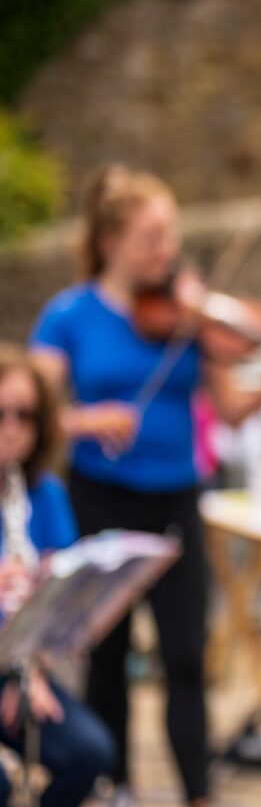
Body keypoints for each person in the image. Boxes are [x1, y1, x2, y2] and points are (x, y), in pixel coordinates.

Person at [29, 165, 261, 806]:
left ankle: (197, 790)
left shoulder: (190, 315)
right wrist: (84, 419)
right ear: (111, 242)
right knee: (107, 656)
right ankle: (118, 786)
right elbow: (30, 414)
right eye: (152, 238)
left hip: (177, 496)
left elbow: (234, 409)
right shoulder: (69, 316)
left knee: (187, 653)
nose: (168, 252)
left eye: (170, 236)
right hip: (99, 496)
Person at [0, 343, 117, 806]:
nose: (11, 428)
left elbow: (63, 598)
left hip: (19, 667)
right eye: (0, 412)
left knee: (91, 754)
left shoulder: (43, 493)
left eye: (25, 415)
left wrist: (30, 674)